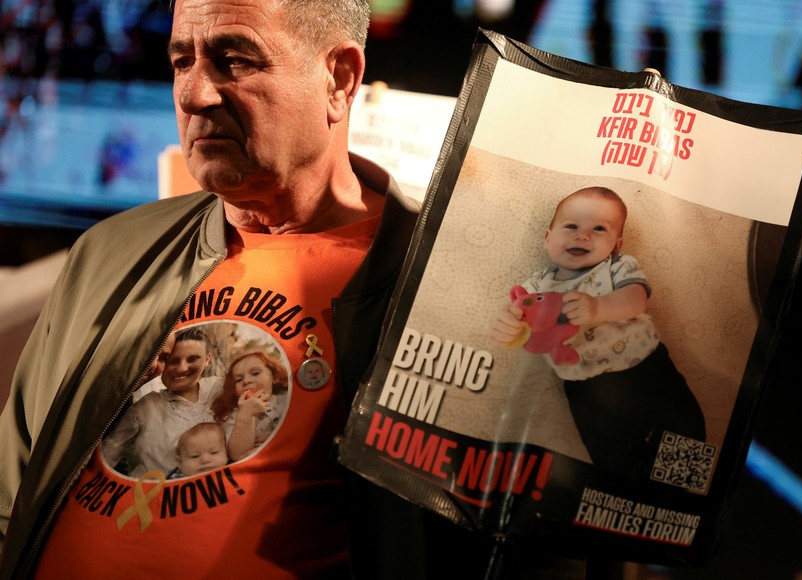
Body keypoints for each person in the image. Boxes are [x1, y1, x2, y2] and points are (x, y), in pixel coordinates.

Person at [0, 0, 548, 578]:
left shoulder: (455, 279)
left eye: (234, 61)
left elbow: (520, 538)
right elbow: (13, 486)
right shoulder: (110, 253)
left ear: (338, 79)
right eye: (182, 61)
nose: (195, 95)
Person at [491, 186, 706, 481]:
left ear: (616, 244)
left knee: (688, 431)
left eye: (599, 228)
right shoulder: (535, 288)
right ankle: (636, 492)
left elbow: (635, 298)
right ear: (547, 238)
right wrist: (508, 328)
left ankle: (677, 495)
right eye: (571, 226)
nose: (583, 235)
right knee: (612, 461)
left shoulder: (617, 266)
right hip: (587, 390)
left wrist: (599, 308)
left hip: (647, 369)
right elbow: (522, 329)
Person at [101, 326, 222, 477]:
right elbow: (108, 454)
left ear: (207, 360)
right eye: (173, 361)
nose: (182, 368)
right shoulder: (147, 406)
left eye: (193, 359)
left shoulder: (221, 390)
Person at [211, 351, 289, 461]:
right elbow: (237, 455)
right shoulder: (232, 414)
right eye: (238, 379)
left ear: (274, 377)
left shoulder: (286, 399)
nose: (246, 381)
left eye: (255, 373)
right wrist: (246, 415)